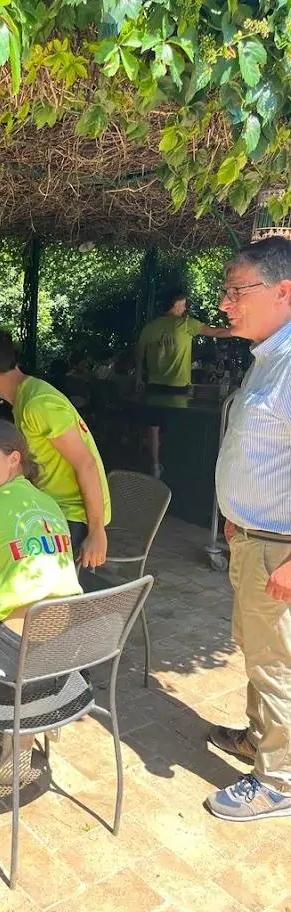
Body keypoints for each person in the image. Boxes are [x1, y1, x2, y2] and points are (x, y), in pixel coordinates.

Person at [0, 420, 89, 784]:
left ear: (14, 459)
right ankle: (36, 715)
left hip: (14, 659)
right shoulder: (50, 504)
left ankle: (19, 725)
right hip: (68, 653)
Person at [204, 236, 291, 821]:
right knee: (260, 651)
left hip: (280, 549)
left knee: (279, 664)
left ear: (284, 291)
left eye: (237, 291)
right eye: (225, 291)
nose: (225, 303)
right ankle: (260, 738)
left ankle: (280, 780)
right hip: (254, 540)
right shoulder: (268, 360)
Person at [0, 327, 110, 568]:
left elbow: (85, 463)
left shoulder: (37, 403)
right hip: (47, 508)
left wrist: (97, 532)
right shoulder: (26, 397)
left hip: (71, 516)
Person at [135, 290, 230, 478]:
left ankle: (155, 465)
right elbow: (216, 332)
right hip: (178, 386)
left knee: (153, 426)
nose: (185, 308)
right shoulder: (186, 323)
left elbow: (139, 354)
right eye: (184, 304)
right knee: (176, 426)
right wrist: (239, 330)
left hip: (154, 385)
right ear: (177, 304)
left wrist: (139, 377)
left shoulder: (150, 327)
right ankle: (176, 463)